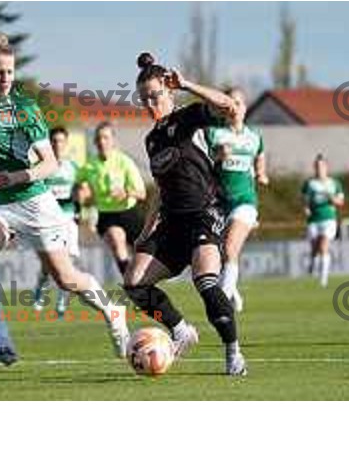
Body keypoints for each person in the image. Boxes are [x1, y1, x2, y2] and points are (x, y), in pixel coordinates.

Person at [0, 32, 128, 365]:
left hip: (33, 202)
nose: (5, 79)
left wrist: (17, 176)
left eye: (10, 72)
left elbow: (50, 163)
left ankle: (113, 311)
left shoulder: (24, 109)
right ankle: (2, 341)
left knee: (66, 278)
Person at [123, 52, 247, 377]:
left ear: (169, 92)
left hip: (204, 214)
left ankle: (233, 352)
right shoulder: (151, 140)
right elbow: (161, 191)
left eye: (156, 95)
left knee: (205, 281)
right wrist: (146, 231)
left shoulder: (189, 117)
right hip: (172, 223)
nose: (150, 103)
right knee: (134, 283)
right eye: (144, 99)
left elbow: (229, 107)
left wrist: (188, 84)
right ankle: (180, 329)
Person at [206, 87, 268, 312]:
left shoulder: (254, 137)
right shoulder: (214, 134)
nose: (235, 108)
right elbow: (203, 165)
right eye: (230, 103)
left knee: (231, 249)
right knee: (220, 253)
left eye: (239, 103)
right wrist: (217, 156)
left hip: (245, 201)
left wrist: (261, 173)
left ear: (246, 107)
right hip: (218, 203)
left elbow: (260, 158)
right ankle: (233, 293)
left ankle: (221, 302)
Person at [76, 122, 146, 277]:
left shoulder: (124, 162)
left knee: (143, 254)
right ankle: (129, 280)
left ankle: (140, 279)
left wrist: (127, 192)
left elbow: (142, 193)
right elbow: (78, 187)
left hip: (129, 212)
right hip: (106, 215)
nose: (102, 142)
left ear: (113, 141)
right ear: (95, 142)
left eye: (106, 138)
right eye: (99, 138)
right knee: (116, 240)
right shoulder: (89, 166)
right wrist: (81, 192)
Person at [33, 126, 80, 316]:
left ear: (66, 143)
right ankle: (41, 291)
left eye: (61, 141)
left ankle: (61, 302)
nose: (58, 145)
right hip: (48, 222)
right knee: (48, 266)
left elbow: (81, 195)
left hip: (68, 219)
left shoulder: (74, 168)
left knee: (67, 263)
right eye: (54, 141)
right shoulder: (40, 167)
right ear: (49, 144)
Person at [302, 153, 344, 288]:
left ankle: (323, 279)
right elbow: (305, 200)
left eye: (321, 166)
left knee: (324, 246)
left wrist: (333, 199)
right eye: (317, 166)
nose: (319, 168)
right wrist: (306, 208)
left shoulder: (334, 183)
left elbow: (341, 201)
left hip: (329, 218)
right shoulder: (309, 183)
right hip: (313, 220)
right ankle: (313, 263)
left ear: (326, 167)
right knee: (315, 248)